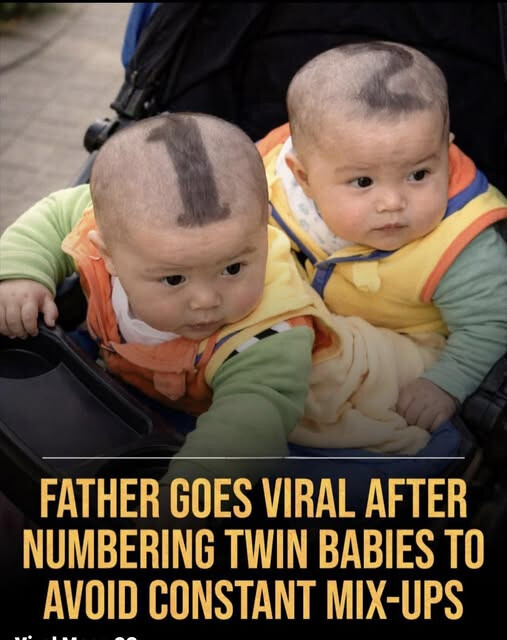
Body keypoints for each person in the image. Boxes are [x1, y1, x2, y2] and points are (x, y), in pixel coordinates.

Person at [0, 111, 341, 490]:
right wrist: (20, 274)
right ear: (107, 253)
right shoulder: (123, 224)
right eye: (174, 279)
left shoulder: (272, 332)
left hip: (207, 423)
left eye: (232, 269)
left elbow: (250, 421)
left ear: (263, 230)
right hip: (112, 380)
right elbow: (53, 215)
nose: (206, 300)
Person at [258, 40, 507, 433]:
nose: (393, 202)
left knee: (324, 384)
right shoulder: (269, 179)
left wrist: (445, 383)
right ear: (303, 177)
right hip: (300, 313)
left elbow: (492, 323)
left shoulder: (461, 243)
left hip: (409, 344)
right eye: (363, 182)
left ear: (445, 151)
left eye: (418, 175)